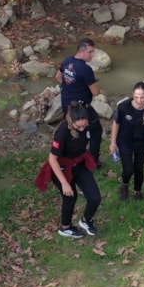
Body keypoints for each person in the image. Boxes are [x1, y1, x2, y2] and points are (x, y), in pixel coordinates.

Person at [35, 102, 101, 238]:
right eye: (78, 127)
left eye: (84, 126)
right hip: (62, 168)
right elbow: (52, 159)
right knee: (70, 196)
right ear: (71, 121)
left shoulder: (87, 125)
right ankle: (65, 227)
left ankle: (86, 221)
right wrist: (64, 183)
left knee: (95, 197)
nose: (82, 129)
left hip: (79, 164)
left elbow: (94, 134)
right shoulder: (62, 133)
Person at [56, 38, 103, 167]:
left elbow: (58, 77)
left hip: (67, 105)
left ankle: (65, 158)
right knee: (96, 131)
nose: (92, 55)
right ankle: (92, 161)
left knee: (71, 130)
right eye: (90, 52)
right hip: (81, 108)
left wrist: (69, 88)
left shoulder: (67, 61)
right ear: (81, 51)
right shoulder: (85, 69)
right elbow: (96, 92)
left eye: (93, 52)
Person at [109, 81, 144, 200]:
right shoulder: (124, 107)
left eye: (142, 97)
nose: (139, 100)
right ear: (132, 95)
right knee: (128, 170)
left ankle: (137, 191)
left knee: (139, 168)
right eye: (136, 97)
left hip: (142, 142)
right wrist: (113, 143)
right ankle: (125, 184)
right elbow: (116, 123)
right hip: (125, 141)